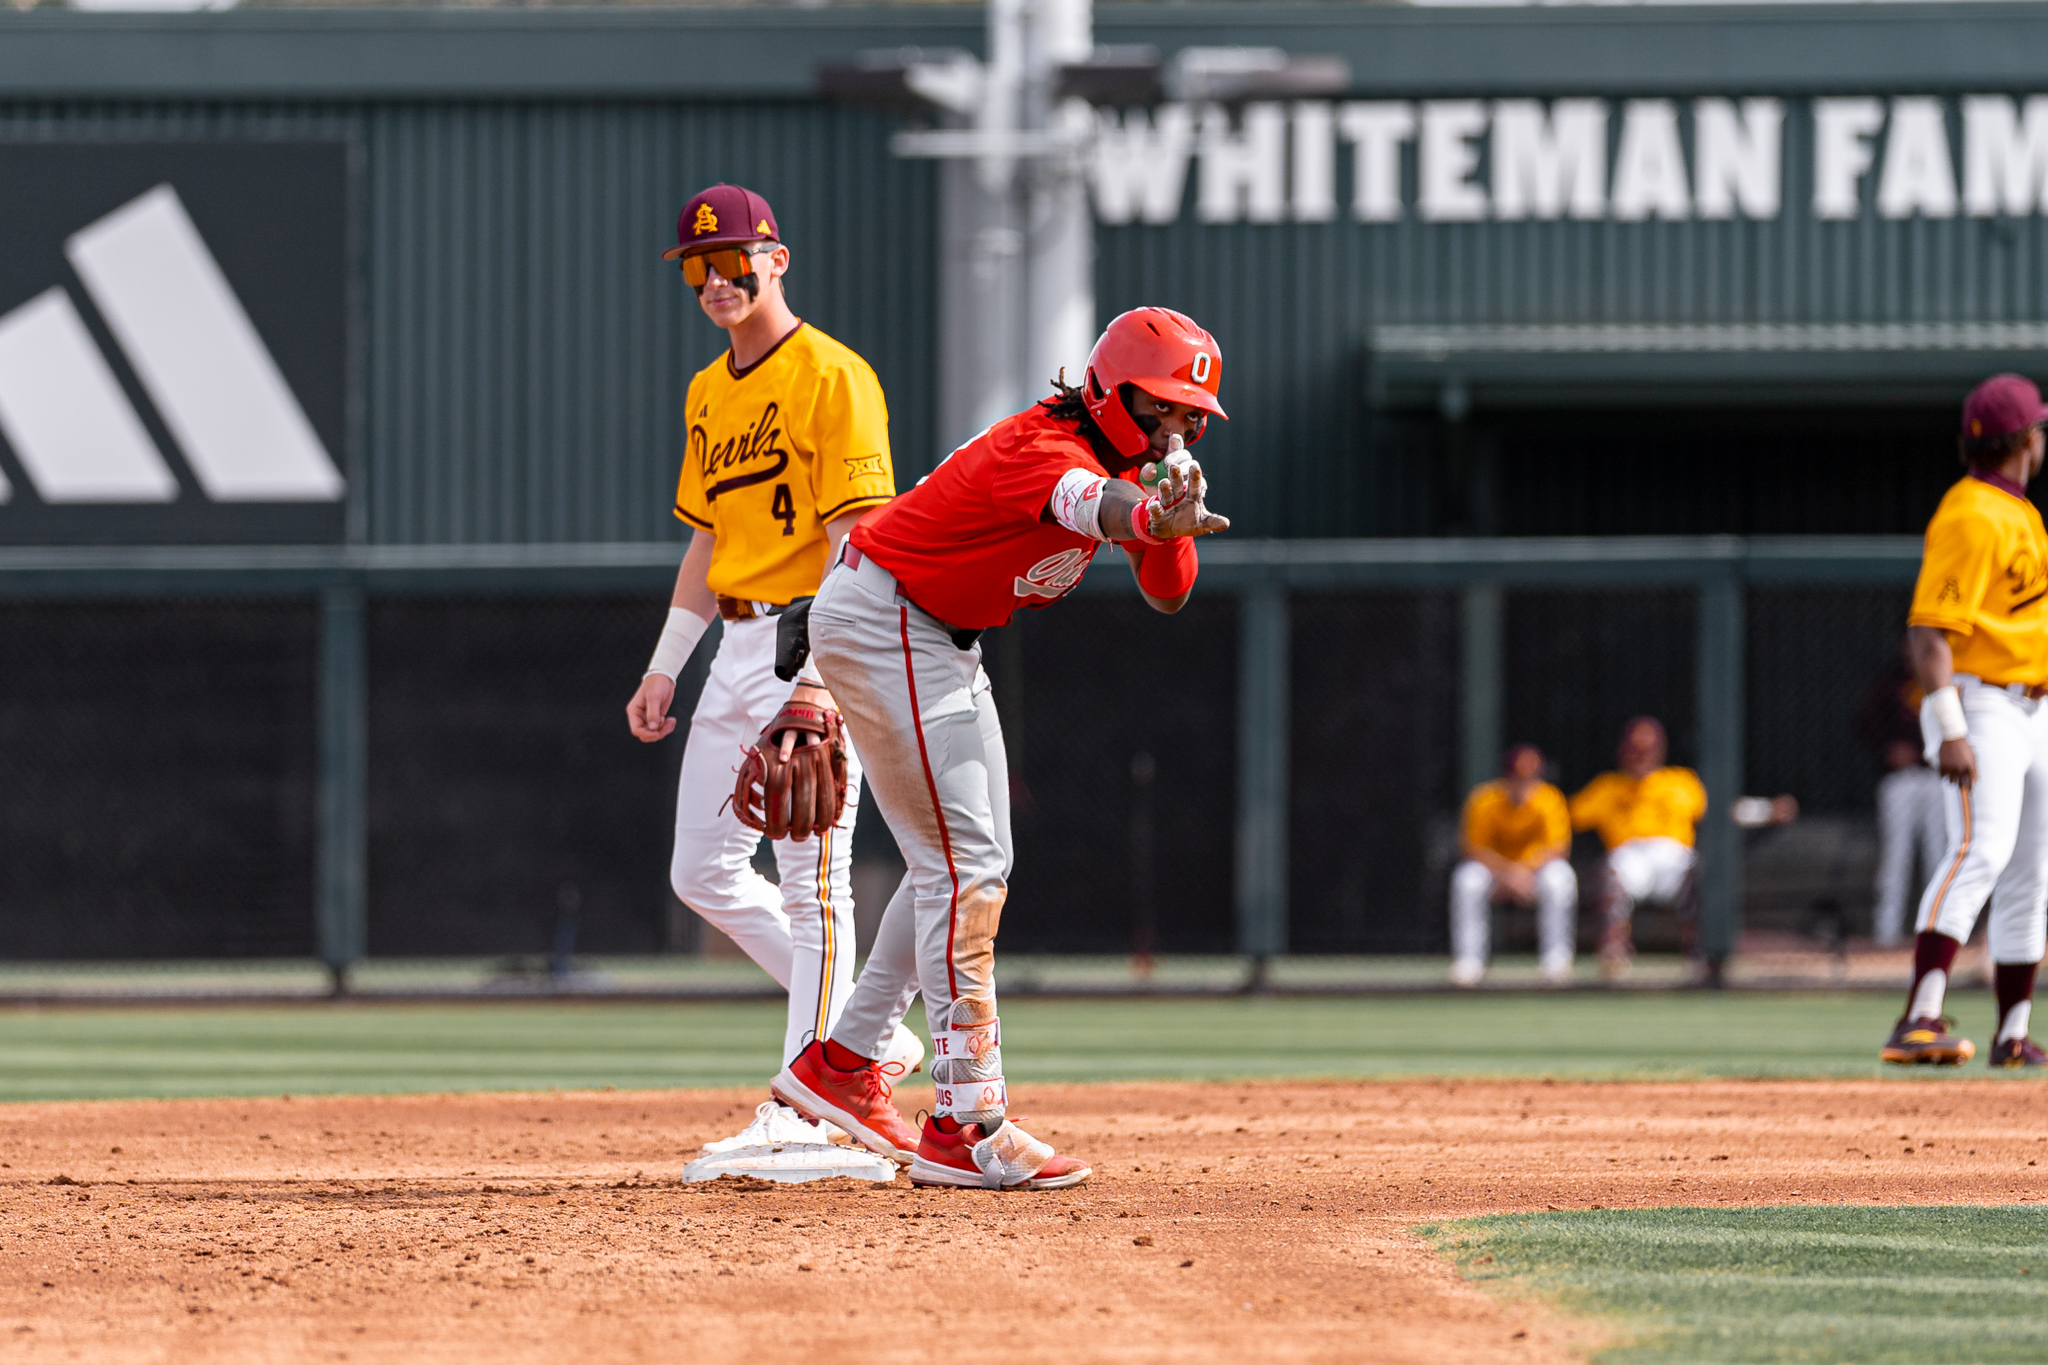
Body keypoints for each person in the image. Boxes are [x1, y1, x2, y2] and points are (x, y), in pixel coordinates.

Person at [766, 307, 1230, 1189]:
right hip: (890, 617)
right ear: (1114, 390)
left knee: (971, 860)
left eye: (1195, 414)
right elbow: (1094, 507)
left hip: (935, 633)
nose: (1183, 426)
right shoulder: (1050, 450)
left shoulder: (1133, 466)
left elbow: (1166, 591)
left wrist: (1167, 524)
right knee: (962, 867)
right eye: (1166, 406)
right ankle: (966, 1120)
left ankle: (841, 1064)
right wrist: (1151, 516)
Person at [624, 183, 921, 1169]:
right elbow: (708, 539)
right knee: (699, 869)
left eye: (734, 260)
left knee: (812, 882)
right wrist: (667, 663)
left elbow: (860, 539)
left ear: (776, 259)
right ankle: (858, 1033)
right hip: (735, 644)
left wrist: (825, 681)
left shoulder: (832, 376)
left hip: (815, 638)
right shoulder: (709, 391)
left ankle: (808, 1108)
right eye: (699, 267)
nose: (717, 279)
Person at [1883, 373, 2048, 1069]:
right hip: (1980, 701)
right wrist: (1947, 724)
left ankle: (2013, 1031)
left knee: (2030, 871)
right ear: (2025, 438)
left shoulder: (2018, 511)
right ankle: (1919, 1016)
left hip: (2031, 703)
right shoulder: (1971, 512)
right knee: (1977, 850)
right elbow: (1929, 632)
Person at [1449, 744, 1577, 987]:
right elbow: (1473, 850)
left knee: (1561, 878)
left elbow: (1559, 849)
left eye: (1530, 777)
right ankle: (1469, 963)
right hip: (1496, 875)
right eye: (1518, 777)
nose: (1524, 784)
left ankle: (1556, 963)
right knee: (1466, 880)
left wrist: (1523, 872)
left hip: (1533, 875)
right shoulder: (1484, 799)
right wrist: (1509, 874)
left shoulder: (1549, 798)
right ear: (1505, 777)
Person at [1857, 638, 1946, 947]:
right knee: (1897, 857)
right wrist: (1887, 750)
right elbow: (1867, 724)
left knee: (1940, 857)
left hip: (1939, 777)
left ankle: (1939, 932)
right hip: (1901, 779)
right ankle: (1887, 935)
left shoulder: (1949, 676)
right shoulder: (1892, 680)